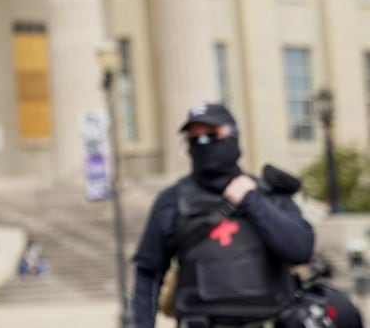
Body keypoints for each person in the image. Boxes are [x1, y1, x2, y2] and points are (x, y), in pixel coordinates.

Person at [132, 103, 314, 328]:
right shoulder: (172, 200)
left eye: (212, 135)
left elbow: (300, 250)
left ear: (234, 136)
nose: (203, 144)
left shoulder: (268, 194)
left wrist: (251, 199)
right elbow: (148, 273)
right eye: (194, 139)